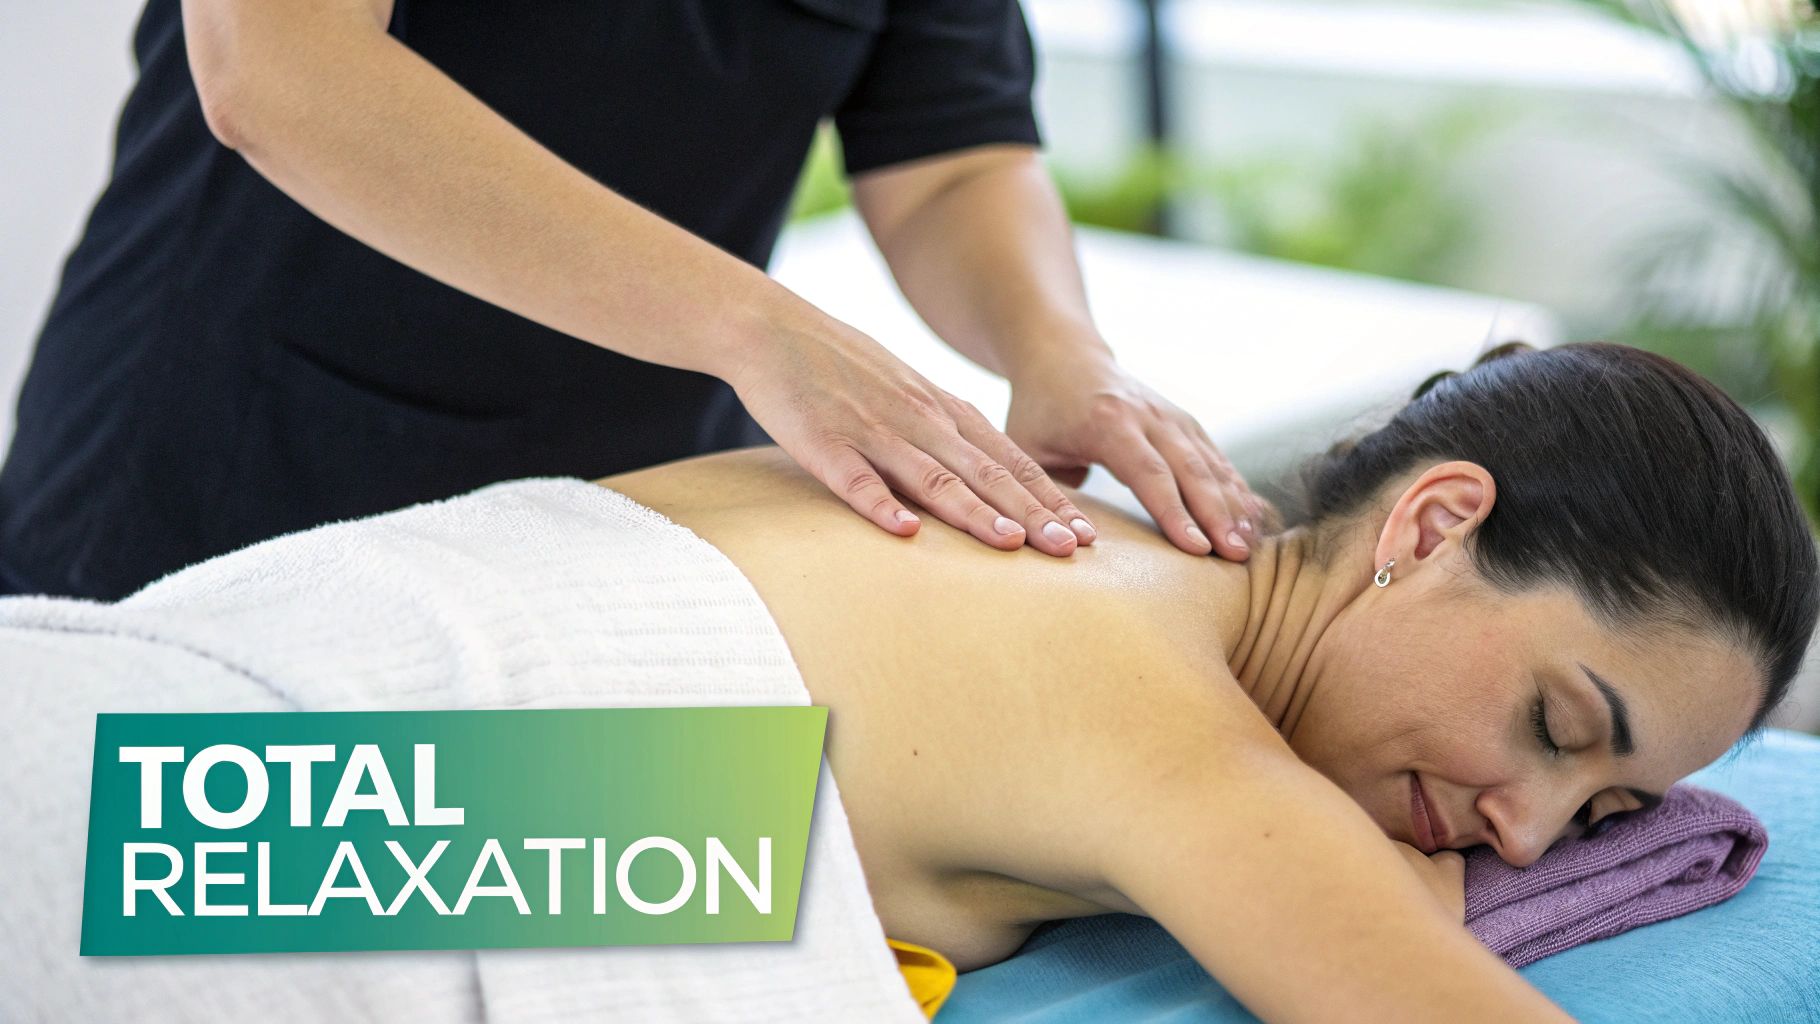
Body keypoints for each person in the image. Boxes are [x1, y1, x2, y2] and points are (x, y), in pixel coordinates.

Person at [4, 342, 1812, 1021]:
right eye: (1560, 725)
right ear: (1431, 519)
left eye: (1603, 815)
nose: (1525, 824)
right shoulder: (1169, 732)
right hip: (219, 810)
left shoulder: (1049, 515)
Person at [0, 0, 1271, 601]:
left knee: (613, 924)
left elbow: (948, 157)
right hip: (218, 482)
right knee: (228, 937)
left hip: (616, 524)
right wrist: (758, 329)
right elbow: (277, 71)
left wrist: (1059, 354)